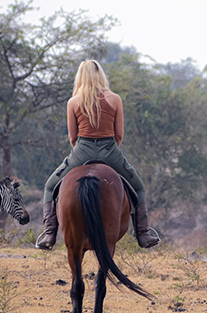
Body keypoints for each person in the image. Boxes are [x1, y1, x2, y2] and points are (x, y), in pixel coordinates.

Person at [36, 59, 160, 250]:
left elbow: (72, 137)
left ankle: (49, 234)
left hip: (81, 150)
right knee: (139, 187)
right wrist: (108, 149)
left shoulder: (73, 102)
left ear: (81, 77)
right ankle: (143, 234)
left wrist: (83, 149)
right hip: (109, 150)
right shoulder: (114, 99)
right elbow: (119, 135)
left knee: (50, 186)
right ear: (100, 75)